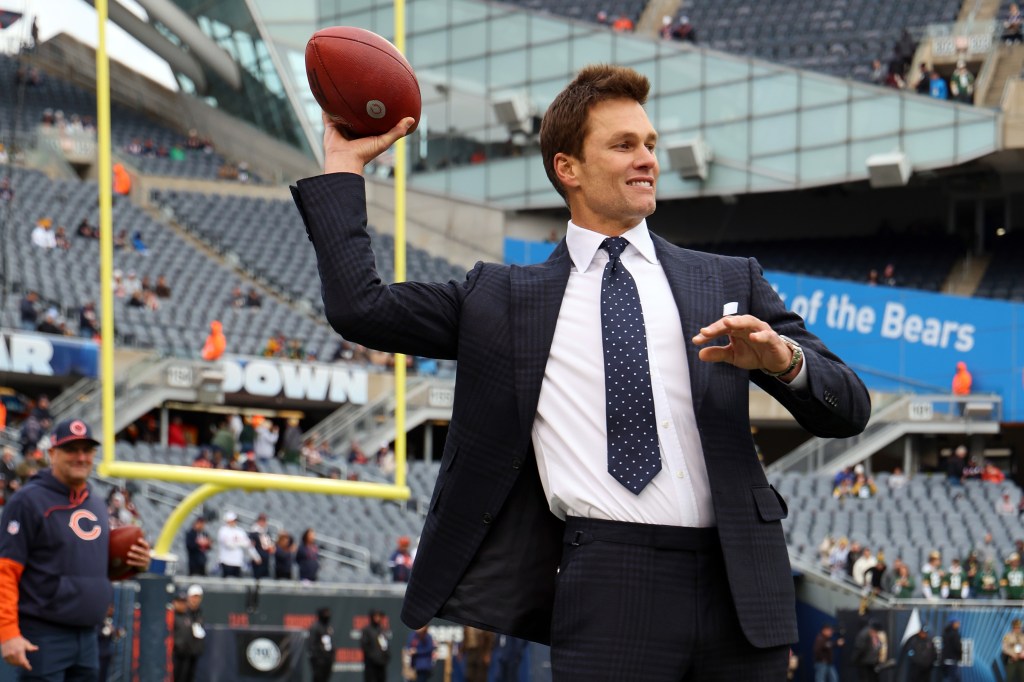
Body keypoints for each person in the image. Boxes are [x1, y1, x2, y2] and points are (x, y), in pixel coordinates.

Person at [292, 63, 870, 679]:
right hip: (606, 578)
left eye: (649, 144)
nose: (646, 158)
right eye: (623, 145)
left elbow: (850, 407)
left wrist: (785, 362)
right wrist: (344, 166)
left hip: (739, 582)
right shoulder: (502, 298)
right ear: (568, 168)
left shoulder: (728, 280)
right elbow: (361, 306)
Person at [0, 419, 151, 675]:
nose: (80, 457)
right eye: (71, 449)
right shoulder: (28, 500)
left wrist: (133, 565)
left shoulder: (95, 503)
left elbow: (92, 571)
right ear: (52, 453)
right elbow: (5, 571)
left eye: (87, 450)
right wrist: (7, 632)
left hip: (88, 636)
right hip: (43, 634)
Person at [171, 586, 206, 682]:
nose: (195, 600)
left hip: (192, 651)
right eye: (193, 597)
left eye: (197, 597)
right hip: (178, 653)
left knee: (189, 677)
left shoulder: (198, 613)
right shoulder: (177, 615)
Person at [217, 510, 256, 577]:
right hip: (226, 561)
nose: (235, 522)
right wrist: (241, 543)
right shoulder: (223, 531)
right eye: (233, 520)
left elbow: (248, 543)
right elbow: (229, 544)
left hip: (237, 562)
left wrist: (237, 542)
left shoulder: (240, 530)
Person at [360, 608, 390, 682]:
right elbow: (365, 646)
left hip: (381, 663)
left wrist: (386, 655)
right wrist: (373, 657)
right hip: (371, 665)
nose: (378, 618)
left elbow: (385, 645)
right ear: (372, 617)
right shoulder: (367, 630)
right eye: (376, 616)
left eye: (379, 616)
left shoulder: (381, 630)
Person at [308, 606, 336, 682]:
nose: (327, 616)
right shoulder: (315, 627)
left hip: (328, 659)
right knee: (318, 678)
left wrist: (332, 655)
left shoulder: (328, 627)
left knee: (326, 678)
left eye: (328, 613)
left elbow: (330, 643)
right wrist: (318, 657)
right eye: (325, 614)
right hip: (319, 660)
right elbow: (311, 644)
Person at [249, 513, 276, 579]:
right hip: (258, 558)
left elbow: (269, 542)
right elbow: (250, 546)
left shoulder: (266, 531)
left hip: (266, 557)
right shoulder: (253, 532)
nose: (263, 522)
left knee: (265, 576)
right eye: (262, 520)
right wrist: (256, 557)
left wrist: (272, 547)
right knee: (257, 577)